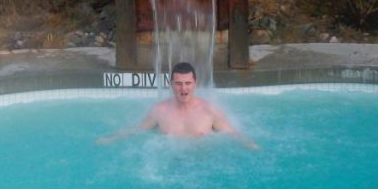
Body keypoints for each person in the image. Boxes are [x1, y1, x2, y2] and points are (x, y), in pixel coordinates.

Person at [97, 62, 259, 149]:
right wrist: (112, 139)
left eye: (188, 83)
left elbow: (232, 133)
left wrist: (250, 144)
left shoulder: (209, 111)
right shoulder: (159, 111)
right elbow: (137, 130)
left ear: (195, 83)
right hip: (170, 167)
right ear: (171, 84)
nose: (184, 88)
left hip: (201, 166)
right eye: (179, 83)